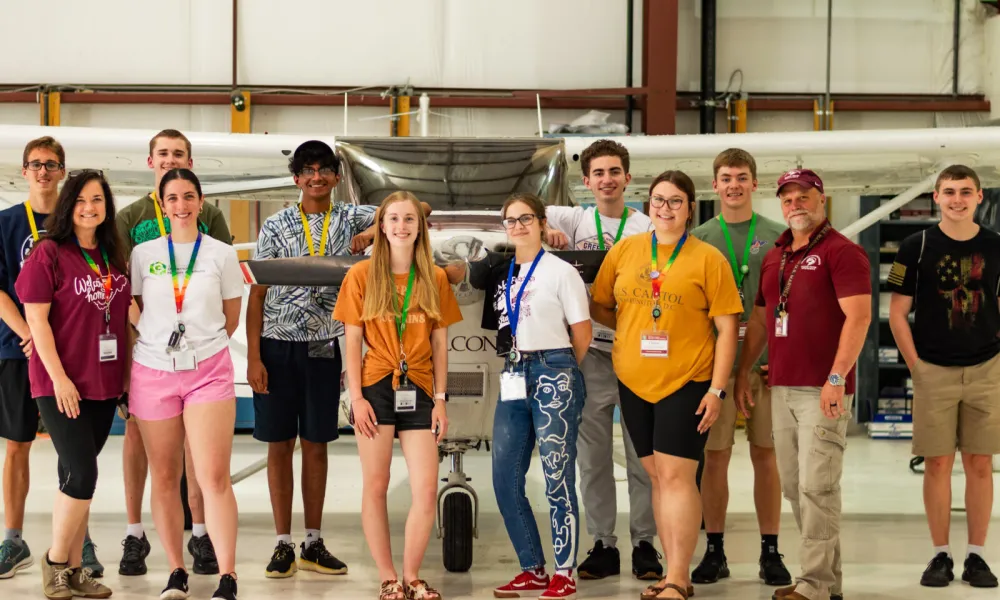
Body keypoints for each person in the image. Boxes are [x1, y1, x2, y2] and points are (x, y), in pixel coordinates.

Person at [249, 140, 430, 578]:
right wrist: (253, 356)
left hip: (327, 345)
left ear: (336, 177)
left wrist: (372, 232)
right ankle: (282, 543)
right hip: (277, 344)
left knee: (317, 442)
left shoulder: (352, 215)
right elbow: (257, 292)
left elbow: (419, 208)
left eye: (324, 170)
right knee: (279, 444)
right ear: (296, 177)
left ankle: (313, 540)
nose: (316, 177)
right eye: (307, 170)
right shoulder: (275, 225)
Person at [590, 170, 742, 600]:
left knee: (677, 477)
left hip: (687, 381)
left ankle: (678, 576)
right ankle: (671, 572)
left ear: (690, 208)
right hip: (635, 382)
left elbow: (727, 330)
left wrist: (716, 390)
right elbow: (601, 304)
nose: (665, 208)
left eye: (676, 201)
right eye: (658, 200)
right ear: (648, 204)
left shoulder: (708, 258)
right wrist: (632, 330)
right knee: (657, 477)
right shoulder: (625, 251)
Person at [445, 193, 591, 600]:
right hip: (512, 371)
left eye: (526, 218)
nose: (519, 226)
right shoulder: (502, 273)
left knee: (557, 476)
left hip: (553, 370)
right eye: (511, 220)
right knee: (504, 477)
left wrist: (559, 371)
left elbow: (582, 333)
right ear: (503, 226)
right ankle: (533, 568)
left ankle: (564, 570)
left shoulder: (561, 273)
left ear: (542, 223)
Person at [736, 168, 870, 600]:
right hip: (781, 389)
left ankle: (813, 583)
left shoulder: (842, 251)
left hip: (822, 390)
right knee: (796, 487)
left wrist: (836, 379)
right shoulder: (776, 255)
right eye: (788, 198)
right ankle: (828, 583)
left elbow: (860, 317)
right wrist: (742, 370)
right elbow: (760, 318)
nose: (796, 204)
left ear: (822, 199)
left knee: (818, 486)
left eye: (804, 196)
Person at [541, 139, 662, 581]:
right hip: (588, 354)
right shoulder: (570, 218)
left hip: (638, 354)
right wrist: (541, 227)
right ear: (586, 181)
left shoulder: (648, 225)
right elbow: (514, 210)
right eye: (598, 173)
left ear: (628, 178)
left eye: (615, 172)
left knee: (641, 454)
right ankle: (602, 543)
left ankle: (645, 542)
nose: (607, 180)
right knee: (591, 456)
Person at [115, 129, 233, 577]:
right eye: (162, 154)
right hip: (148, 353)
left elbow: (223, 291)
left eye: (178, 154)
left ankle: (200, 531)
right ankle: (134, 532)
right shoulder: (131, 217)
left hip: (199, 358)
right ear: (150, 162)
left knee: (196, 449)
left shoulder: (212, 215)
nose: (170, 160)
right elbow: (126, 291)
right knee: (138, 442)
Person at [333, 191, 462, 600]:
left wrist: (441, 398)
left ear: (419, 227)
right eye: (393, 219)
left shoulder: (435, 278)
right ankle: (388, 577)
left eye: (409, 219)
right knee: (377, 483)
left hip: (421, 388)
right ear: (382, 227)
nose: (402, 226)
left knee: (426, 488)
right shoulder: (361, 276)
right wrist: (356, 398)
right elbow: (352, 342)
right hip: (375, 388)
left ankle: (411, 575)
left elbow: (441, 344)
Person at [15, 170, 131, 600]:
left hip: (103, 384)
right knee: (84, 472)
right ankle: (56, 563)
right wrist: (60, 379)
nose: (89, 207)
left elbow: (122, 320)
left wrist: (126, 380)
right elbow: (36, 320)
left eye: (98, 199)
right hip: (59, 383)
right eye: (81, 200)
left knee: (73, 476)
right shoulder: (49, 252)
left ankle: (78, 571)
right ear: (68, 205)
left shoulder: (112, 256)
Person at [887, 164, 999, 589]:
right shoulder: (914, 247)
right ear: (935, 197)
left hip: (987, 368)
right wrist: (916, 366)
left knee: (980, 464)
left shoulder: (996, 246)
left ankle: (977, 556)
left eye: (965, 191)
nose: (957, 199)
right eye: (948, 191)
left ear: (979, 196)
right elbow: (898, 312)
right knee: (937, 463)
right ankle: (940, 555)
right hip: (933, 368)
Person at [1, 137, 105, 580]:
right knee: (17, 443)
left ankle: (79, 541)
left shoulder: (79, 222)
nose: (44, 172)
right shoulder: (5, 223)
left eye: (52, 164)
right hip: (17, 348)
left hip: (74, 356)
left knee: (76, 451)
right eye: (35, 164)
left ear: (63, 171)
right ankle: (12, 538)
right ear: (23, 171)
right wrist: (28, 335)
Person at [689, 149, 791, 586]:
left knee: (767, 456)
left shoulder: (780, 235)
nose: (734, 184)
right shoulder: (699, 238)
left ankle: (770, 551)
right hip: (717, 370)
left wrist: (782, 358)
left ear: (755, 184)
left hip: (768, 367)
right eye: (726, 177)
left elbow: (792, 304)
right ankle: (714, 550)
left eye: (742, 177)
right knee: (716, 458)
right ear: (715, 185)